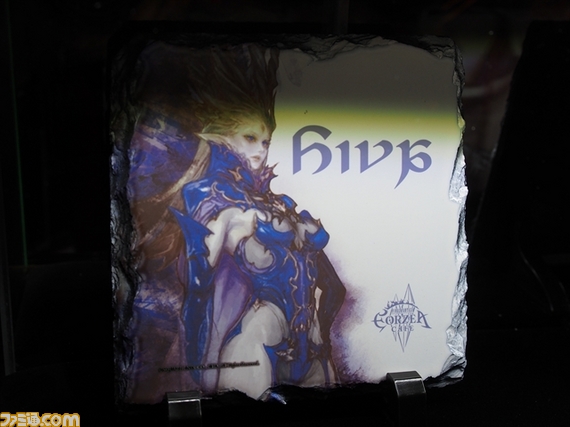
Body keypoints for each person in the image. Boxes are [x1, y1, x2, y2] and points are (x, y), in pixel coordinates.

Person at [128, 43, 345, 400]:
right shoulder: (214, 200)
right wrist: (196, 368)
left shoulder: (279, 203)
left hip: (311, 348)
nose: (261, 150)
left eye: (266, 140)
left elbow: (332, 285)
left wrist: (322, 327)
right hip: (256, 342)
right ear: (224, 137)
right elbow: (197, 292)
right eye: (250, 138)